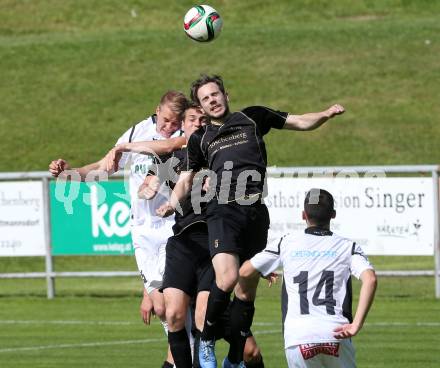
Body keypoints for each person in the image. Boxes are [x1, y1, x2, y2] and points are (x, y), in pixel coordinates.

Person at [157, 74, 346, 367]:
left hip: (255, 213)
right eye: (206, 98)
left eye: (216, 94)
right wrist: (172, 204)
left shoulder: (253, 118)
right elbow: (185, 178)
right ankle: (206, 340)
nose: (213, 100)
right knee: (228, 277)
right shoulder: (200, 139)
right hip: (222, 211)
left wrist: (324, 114)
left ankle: (234, 359)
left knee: (245, 289)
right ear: (202, 107)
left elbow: (299, 121)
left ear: (226, 95)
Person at [112, 103, 266, 368]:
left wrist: (253, 256)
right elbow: (146, 190)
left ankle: (229, 354)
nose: (197, 122)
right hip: (183, 245)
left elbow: (243, 209)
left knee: (244, 347)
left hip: (213, 248)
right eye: (191, 119)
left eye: (202, 119)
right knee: (172, 314)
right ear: (183, 126)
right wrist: (149, 188)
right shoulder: (171, 161)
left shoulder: (220, 155)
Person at [49, 90, 188, 368]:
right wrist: (69, 173)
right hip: (142, 230)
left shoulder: (184, 136)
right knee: (161, 307)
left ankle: (188, 358)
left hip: (174, 225)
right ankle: (187, 355)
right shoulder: (136, 131)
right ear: (156, 110)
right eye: (166, 120)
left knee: (176, 308)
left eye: (175, 122)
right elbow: (104, 167)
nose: (169, 126)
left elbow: (177, 146)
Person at [240, 188, 378, 368]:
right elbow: (371, 279)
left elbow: (244, 271)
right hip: (337, 334)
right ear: (333, 215)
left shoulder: (286, 242)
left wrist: (254, 282)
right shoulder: (348, 246)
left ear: (303, 215)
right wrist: (356, 325)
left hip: (299, 338)